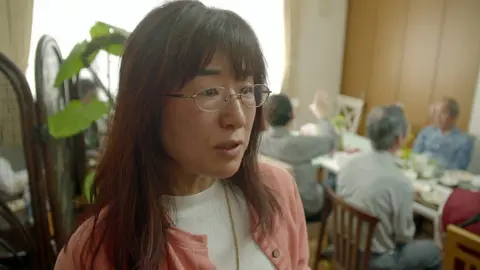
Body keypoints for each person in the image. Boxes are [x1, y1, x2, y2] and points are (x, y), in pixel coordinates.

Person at [54, 1, 309, 269]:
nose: (237, 117)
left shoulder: (278, 190)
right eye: (209, 92)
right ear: (148, 105)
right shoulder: (95, 251)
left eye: (246, 90)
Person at [337, 105, 442, 269]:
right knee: (435, 251)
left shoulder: (350, 165)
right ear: (400, 139)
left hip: (343, 248)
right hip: (375, 262)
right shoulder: (401, 183)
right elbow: (404, 236)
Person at [259, 91, 338, 222]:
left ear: (265, 117)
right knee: (334, 181)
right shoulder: (295, 144)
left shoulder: (258, 140)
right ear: (292, 116)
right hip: (305, 206)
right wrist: (322, 115)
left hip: (275, 204)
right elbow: (332, 141)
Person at [413, 97, 473, 170]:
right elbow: (415, 154)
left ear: (454, 117)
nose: (437, 116)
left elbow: (459, 167)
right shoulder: (426, 132)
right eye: (435, 112)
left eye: (443, 113)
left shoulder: (464, 140)